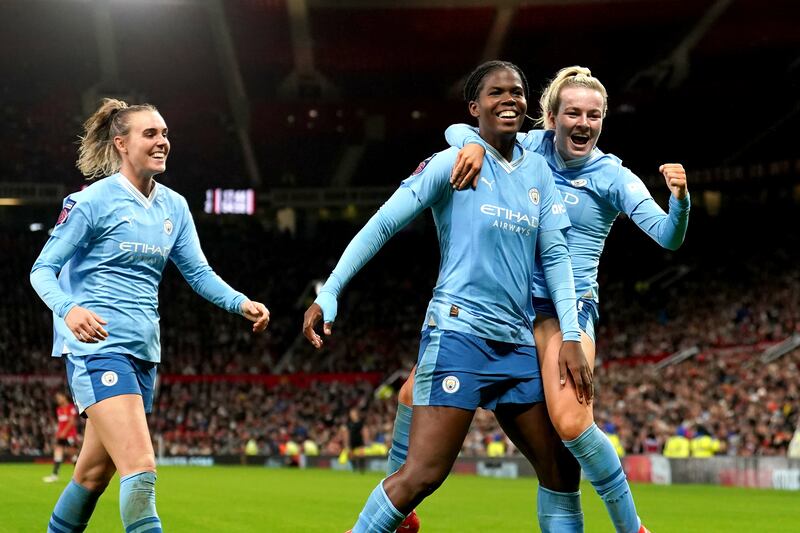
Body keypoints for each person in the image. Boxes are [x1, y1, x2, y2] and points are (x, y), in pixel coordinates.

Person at [304, 60, 590, 533]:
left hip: (517, 343)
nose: (510, 100)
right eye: (497, 93)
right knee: (423, 475)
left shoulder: (537, 169)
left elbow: (557, 256)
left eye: (517, 92)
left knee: (562, 471)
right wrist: (330, 290)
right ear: (475, 106)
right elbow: (383, 224)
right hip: (459, 334)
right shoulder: (450, 161)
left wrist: (573, 335)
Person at [443, 65, 689, 533]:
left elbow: (667, 236)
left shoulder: (614, 176)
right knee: (544, 449)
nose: (583, 123)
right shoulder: (530, 149)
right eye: (572, 112)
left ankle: (631, 527)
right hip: (508, 310)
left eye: (593, 115)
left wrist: (679, 201)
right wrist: (472, 143)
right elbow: (458, 127)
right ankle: (401, 506)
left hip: (566, 313)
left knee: (572, 425)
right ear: (551, 118)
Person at [30, 98, 270, 533]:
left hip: (144, 351)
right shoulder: (92, 202)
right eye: (150, 134)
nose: (163, 142)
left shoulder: (173, 207)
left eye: (165, 134)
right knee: (140, 469)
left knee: (91, 475)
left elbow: (197, 272)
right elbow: (42, 270)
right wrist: (69, 309)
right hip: (98, 350)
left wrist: (239, 301)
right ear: (121, 144)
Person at [43, 392, 80, 483]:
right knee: (58, 452)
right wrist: (59, 433)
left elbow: (72, 422)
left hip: (70, 435)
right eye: (57, 398)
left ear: (64, 397)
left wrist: (64, 432)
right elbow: (61, 424)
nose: (58, 400)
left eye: (59, 398)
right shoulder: (59, 409)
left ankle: (78, 475)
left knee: (73, 454)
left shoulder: (71, 408)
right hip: (61, 435)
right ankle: (54, 475)